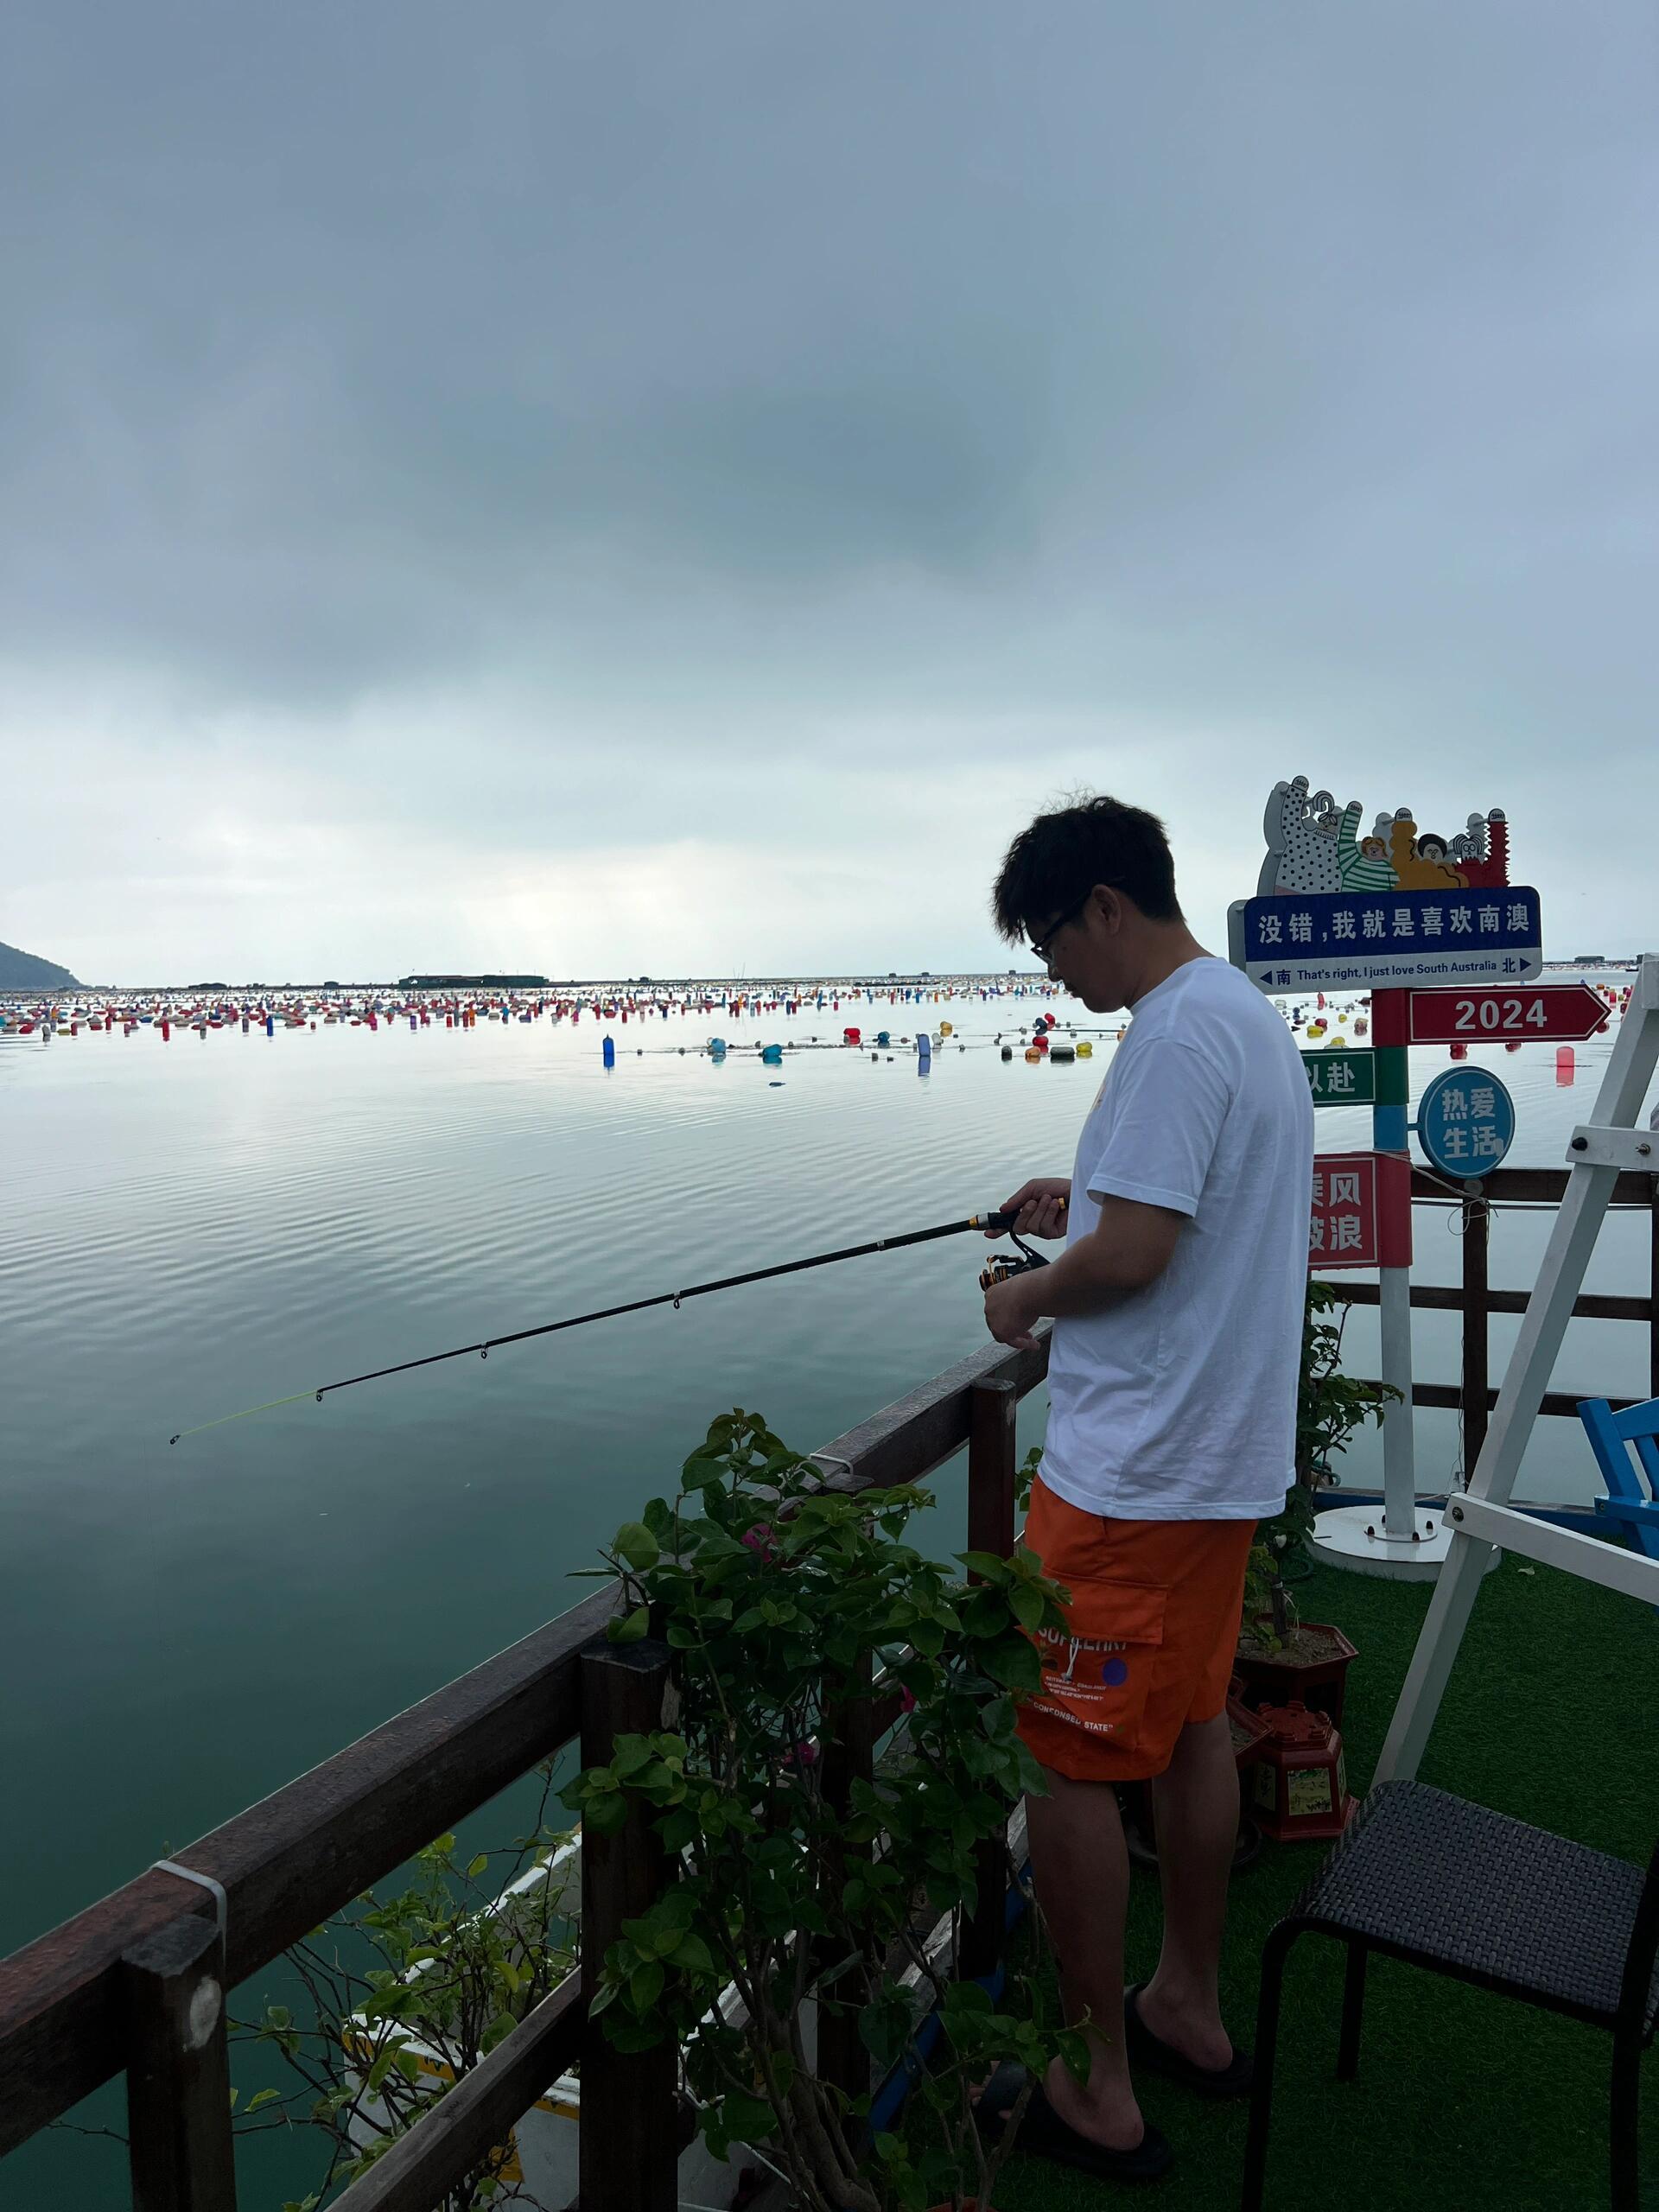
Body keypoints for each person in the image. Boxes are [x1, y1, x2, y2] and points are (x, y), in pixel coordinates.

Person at [977, 794, 1314, 2183]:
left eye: (1055, 945)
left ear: (1106, 905)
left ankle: (1094, 2084)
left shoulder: (1173, 1036)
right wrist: (1092, 1191)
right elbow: (1166, 1213)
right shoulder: (1239, 1016)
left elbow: (1133, 1266)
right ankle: (1184, 2004)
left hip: (1134, 1479)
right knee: (1183, 1733)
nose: (1059, 974)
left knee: (1058, 1763)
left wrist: (1021, 1298)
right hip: (1220, 1463)